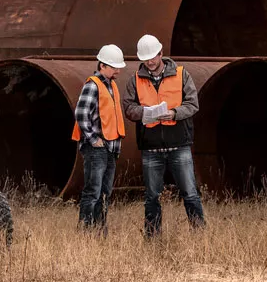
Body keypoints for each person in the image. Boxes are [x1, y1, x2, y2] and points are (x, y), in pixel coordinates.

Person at [121, 34, 206, 237]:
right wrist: (145, 112)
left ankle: (200, 235)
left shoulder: (181, 74)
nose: (149, 62)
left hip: (179, 146)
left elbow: (193, 104)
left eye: (153, 57)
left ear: (161, 53)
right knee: (151, 196)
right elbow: (128, 108)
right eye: (145, 58)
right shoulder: (135, 79)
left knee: (190, 193)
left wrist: (174, 113)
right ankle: (152, 238)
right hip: (151, 149)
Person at [72, 44, 128, 229]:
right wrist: (93, 139)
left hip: (111, 148)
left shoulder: (111, 85)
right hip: (96, 149)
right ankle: (86, 231)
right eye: (114, 67)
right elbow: (81, 114)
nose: (118, 71)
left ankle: (99, 231)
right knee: (93, 192)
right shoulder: (92, 85)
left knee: (105, 193)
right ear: (102, 65)